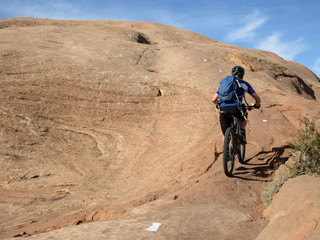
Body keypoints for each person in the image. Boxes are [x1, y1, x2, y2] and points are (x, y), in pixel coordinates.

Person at [212, 66, 261, 143]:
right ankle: (241, 131)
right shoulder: (245, 84)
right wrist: (256, 105)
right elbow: (257, 99)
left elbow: (213, 99)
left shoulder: (226, 84)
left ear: (231, 74)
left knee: (225, 135)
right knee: (244, 117)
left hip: (223, 109)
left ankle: (226, 151)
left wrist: (219, 106)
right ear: (243, 75)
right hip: (236, 108)